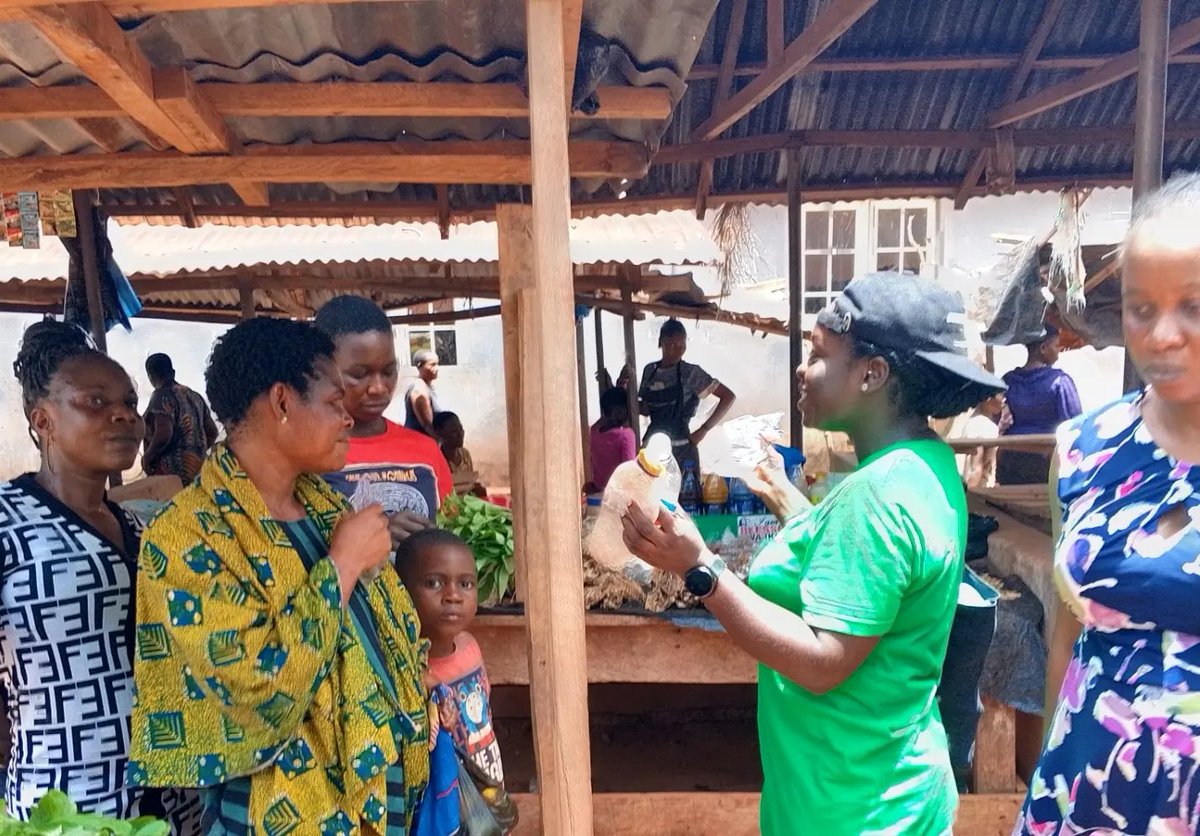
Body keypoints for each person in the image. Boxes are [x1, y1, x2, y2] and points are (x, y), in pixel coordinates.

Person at [621, 273, 1005, 836]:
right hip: (890, 785)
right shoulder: (926, 465)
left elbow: (824, 660)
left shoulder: (876, 494)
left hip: (853, 806)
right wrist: (782, 493)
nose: (802, 369)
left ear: (872, 374)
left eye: (818, 355)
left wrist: (700, 568)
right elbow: (861, 572)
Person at [127, 318, 431, 833]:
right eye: (335, 403)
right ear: (283, 402)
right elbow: (256, 692)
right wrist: (343, 565)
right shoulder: (186, 536)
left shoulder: (322, 505)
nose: (349, 419)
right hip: (276, 812)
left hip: (375, 800)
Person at [1016, 173, 1200, 834]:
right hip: (1085, 792)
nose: (1161, 335)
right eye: (1140, 307)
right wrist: (1045, 793)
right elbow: (1067, 636)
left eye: (1193, 306)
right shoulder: (1087, 450)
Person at [0, 320, 199, 828]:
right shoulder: (8, 522)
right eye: (96, 402)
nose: (125, 416)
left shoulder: (140, 527)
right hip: (65, 802)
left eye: (131, 403)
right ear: (41, 419)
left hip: (174, 801)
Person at [314, 296, 453, 543]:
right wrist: (375, 536)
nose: (379, 387)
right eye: (359, 374)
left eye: (388, 371)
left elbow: (453, 533)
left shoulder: (426, 452)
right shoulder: (309, 455)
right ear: (321, 369)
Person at [396, 530, 506, 787]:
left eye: (465, 584)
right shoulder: (409, 672)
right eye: (434, 583)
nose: (453, 596)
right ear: (401, 592)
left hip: (486, 786)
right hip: (444, 804)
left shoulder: (470, 646)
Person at [637, 319, 735, 474]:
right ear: (661, 343)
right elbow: (646, 410)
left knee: (686, 495)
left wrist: (704, 430)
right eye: (672, 345)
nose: (678, 350)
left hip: (682, 450)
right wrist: (623, 390)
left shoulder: (690, 373)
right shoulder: (649, 371)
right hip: (653, 448)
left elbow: (728, 397)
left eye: (682, 345)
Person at [996, 324, 1082, 485]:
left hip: (1010, 463)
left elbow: (996, 418)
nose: (1059, 351)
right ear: (1043, 348)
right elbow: (1075, 423)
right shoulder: (1060, 382)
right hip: (1046, 464)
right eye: (1056, 346)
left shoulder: (1008, 381)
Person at [142, 352, 219, 484]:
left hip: (172, 475)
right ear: (173, 372)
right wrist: (195, 452)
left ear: (151, 375)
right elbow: (212, 432)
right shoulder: (195, 397)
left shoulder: (161, 396)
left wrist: (148, 457)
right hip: (198, 473)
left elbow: (164, 433)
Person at [588, 386, 637, 493]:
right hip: (618, 496)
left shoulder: (595, 431)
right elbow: (629, 473)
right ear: (621, 410)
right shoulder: (626, 435)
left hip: (600, 492)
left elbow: (600, 421)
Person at [951, 392, 1005, 488]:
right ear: (988, 398)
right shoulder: (983, 424)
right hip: (981, 492)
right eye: (1001, 395)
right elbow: (975, 467)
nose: (1003, 399)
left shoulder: (974, 421)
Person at [432, 411, 485, 497]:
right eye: (454, 431)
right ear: (440, 433)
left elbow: (469, 484)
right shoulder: (437, 460)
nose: (460, 434)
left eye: (461, 429)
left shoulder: (465, 454)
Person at [405, 350, 441, 436]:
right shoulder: (419, 390)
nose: (437, 368)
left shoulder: (426, 387)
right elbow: (427, 424)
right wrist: (438, 443)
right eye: (432, 364)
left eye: (437, 364)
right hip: (419, 440)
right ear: (420, 366)